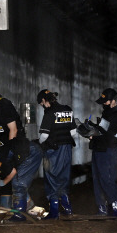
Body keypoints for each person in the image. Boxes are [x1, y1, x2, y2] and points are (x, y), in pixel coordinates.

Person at [0, 88, 42, 220]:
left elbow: (13, 130)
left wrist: (9, 152)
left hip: (17, 148)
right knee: (16, 182)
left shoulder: (3, 104)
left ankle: (20, 214)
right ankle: (26, 209)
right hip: (9, 148)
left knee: (18, 182)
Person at [37, 89, 77, 218]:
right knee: (64, 178)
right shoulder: (67, 109)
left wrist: (40, 143)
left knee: (51, 178)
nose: (42, 106)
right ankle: (67, 208)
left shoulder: (49, 113)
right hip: (67, 148)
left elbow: (44, 135)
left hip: (53, 150)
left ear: (44, 101)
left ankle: (54, 211)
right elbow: (73, 132)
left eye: (41, 104)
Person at [88, 88, 117, 218]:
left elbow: (109, 132)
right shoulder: (107, 112)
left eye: (106, 102)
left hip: (107, 150)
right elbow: (102, 129)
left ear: (114, 101)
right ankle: (102, 209)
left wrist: (95, 134)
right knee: (97, 180)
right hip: (99, 149)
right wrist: (91, 128)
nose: (104, 104)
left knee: (107, 180)